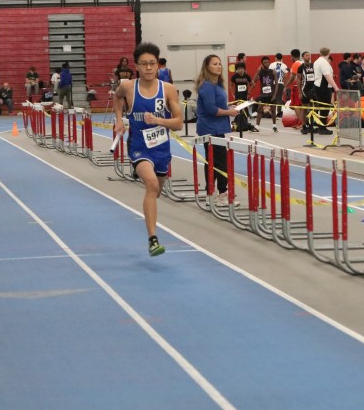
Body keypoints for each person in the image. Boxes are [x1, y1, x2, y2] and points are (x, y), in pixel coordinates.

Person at [112, 43, 184, 257]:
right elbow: (117, 97)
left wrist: (159, 120)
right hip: (138, 147)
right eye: (144, 64)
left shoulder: (168, 89)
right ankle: (153, 240)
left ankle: (150, 197)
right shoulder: (128, 87)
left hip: (161, 149)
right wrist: (119, 120)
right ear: (136, 66)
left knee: (156, 190)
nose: (149, 68)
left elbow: (179, 123)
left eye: (152, 63)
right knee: (151, 184)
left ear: (158, 65)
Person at [195, 54, 241, 207]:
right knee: (219, 162)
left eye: (219, 63)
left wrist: (229, 108)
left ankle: (213, 192)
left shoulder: (218, 84)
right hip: (210, 128)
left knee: (216, 161)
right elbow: (211, 109)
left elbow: (218, 105)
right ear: (207, 67)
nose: (218, 66)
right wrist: (229, 112)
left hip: (218, 127)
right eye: (214, 64)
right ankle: (220, 193)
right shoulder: (207, 86)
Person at [311, 47, 339, 135]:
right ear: (329, 53)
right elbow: (327, 76)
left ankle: (321, 126)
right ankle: (322, 128)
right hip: (323, 87)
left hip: (318, 86)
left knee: (322, 107)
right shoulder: (324, 62)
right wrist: (336, 87)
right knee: (325, 107)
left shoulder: (317, 61)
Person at [252, 56, 278, 131]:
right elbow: (254, 81)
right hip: (263, 94)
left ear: (270, 63)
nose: (266, 64)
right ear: (262, 64)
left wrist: (275, 95)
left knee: (273, 110)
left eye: (267, 62)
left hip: (271, 94)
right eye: (264, 62)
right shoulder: (260, 72)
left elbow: (276, 84)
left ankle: (274, 126)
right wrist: (257, 71)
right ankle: (257, 126)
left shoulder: (273, 71)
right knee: (259, 109)